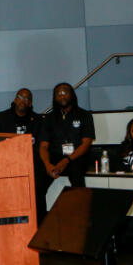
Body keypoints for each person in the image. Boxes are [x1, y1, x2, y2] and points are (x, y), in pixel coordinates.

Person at [38, 83, 95, 213]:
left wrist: (66, 161)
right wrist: (47, 165)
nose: (62, 96)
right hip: (55, 156)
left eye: (65, 92)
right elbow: (43, 146)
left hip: (76, 157)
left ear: (72, 95)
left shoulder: (85, 115)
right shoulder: (49, 118)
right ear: (54, 97)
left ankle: (80, 220)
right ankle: (41, 223)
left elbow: (86, 144)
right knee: (38, 185)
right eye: (58, 93)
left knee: (77, 180)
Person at [0, 88, 46, 223]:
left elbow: (41, 146)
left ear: (30, 103)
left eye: (27, 98)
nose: (23, 100)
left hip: (31, 165)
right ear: (15, 99)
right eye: (20, 97)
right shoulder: (2, 117)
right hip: (8, 165)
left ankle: (39, 226)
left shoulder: (38, 120)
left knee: (38, 191)